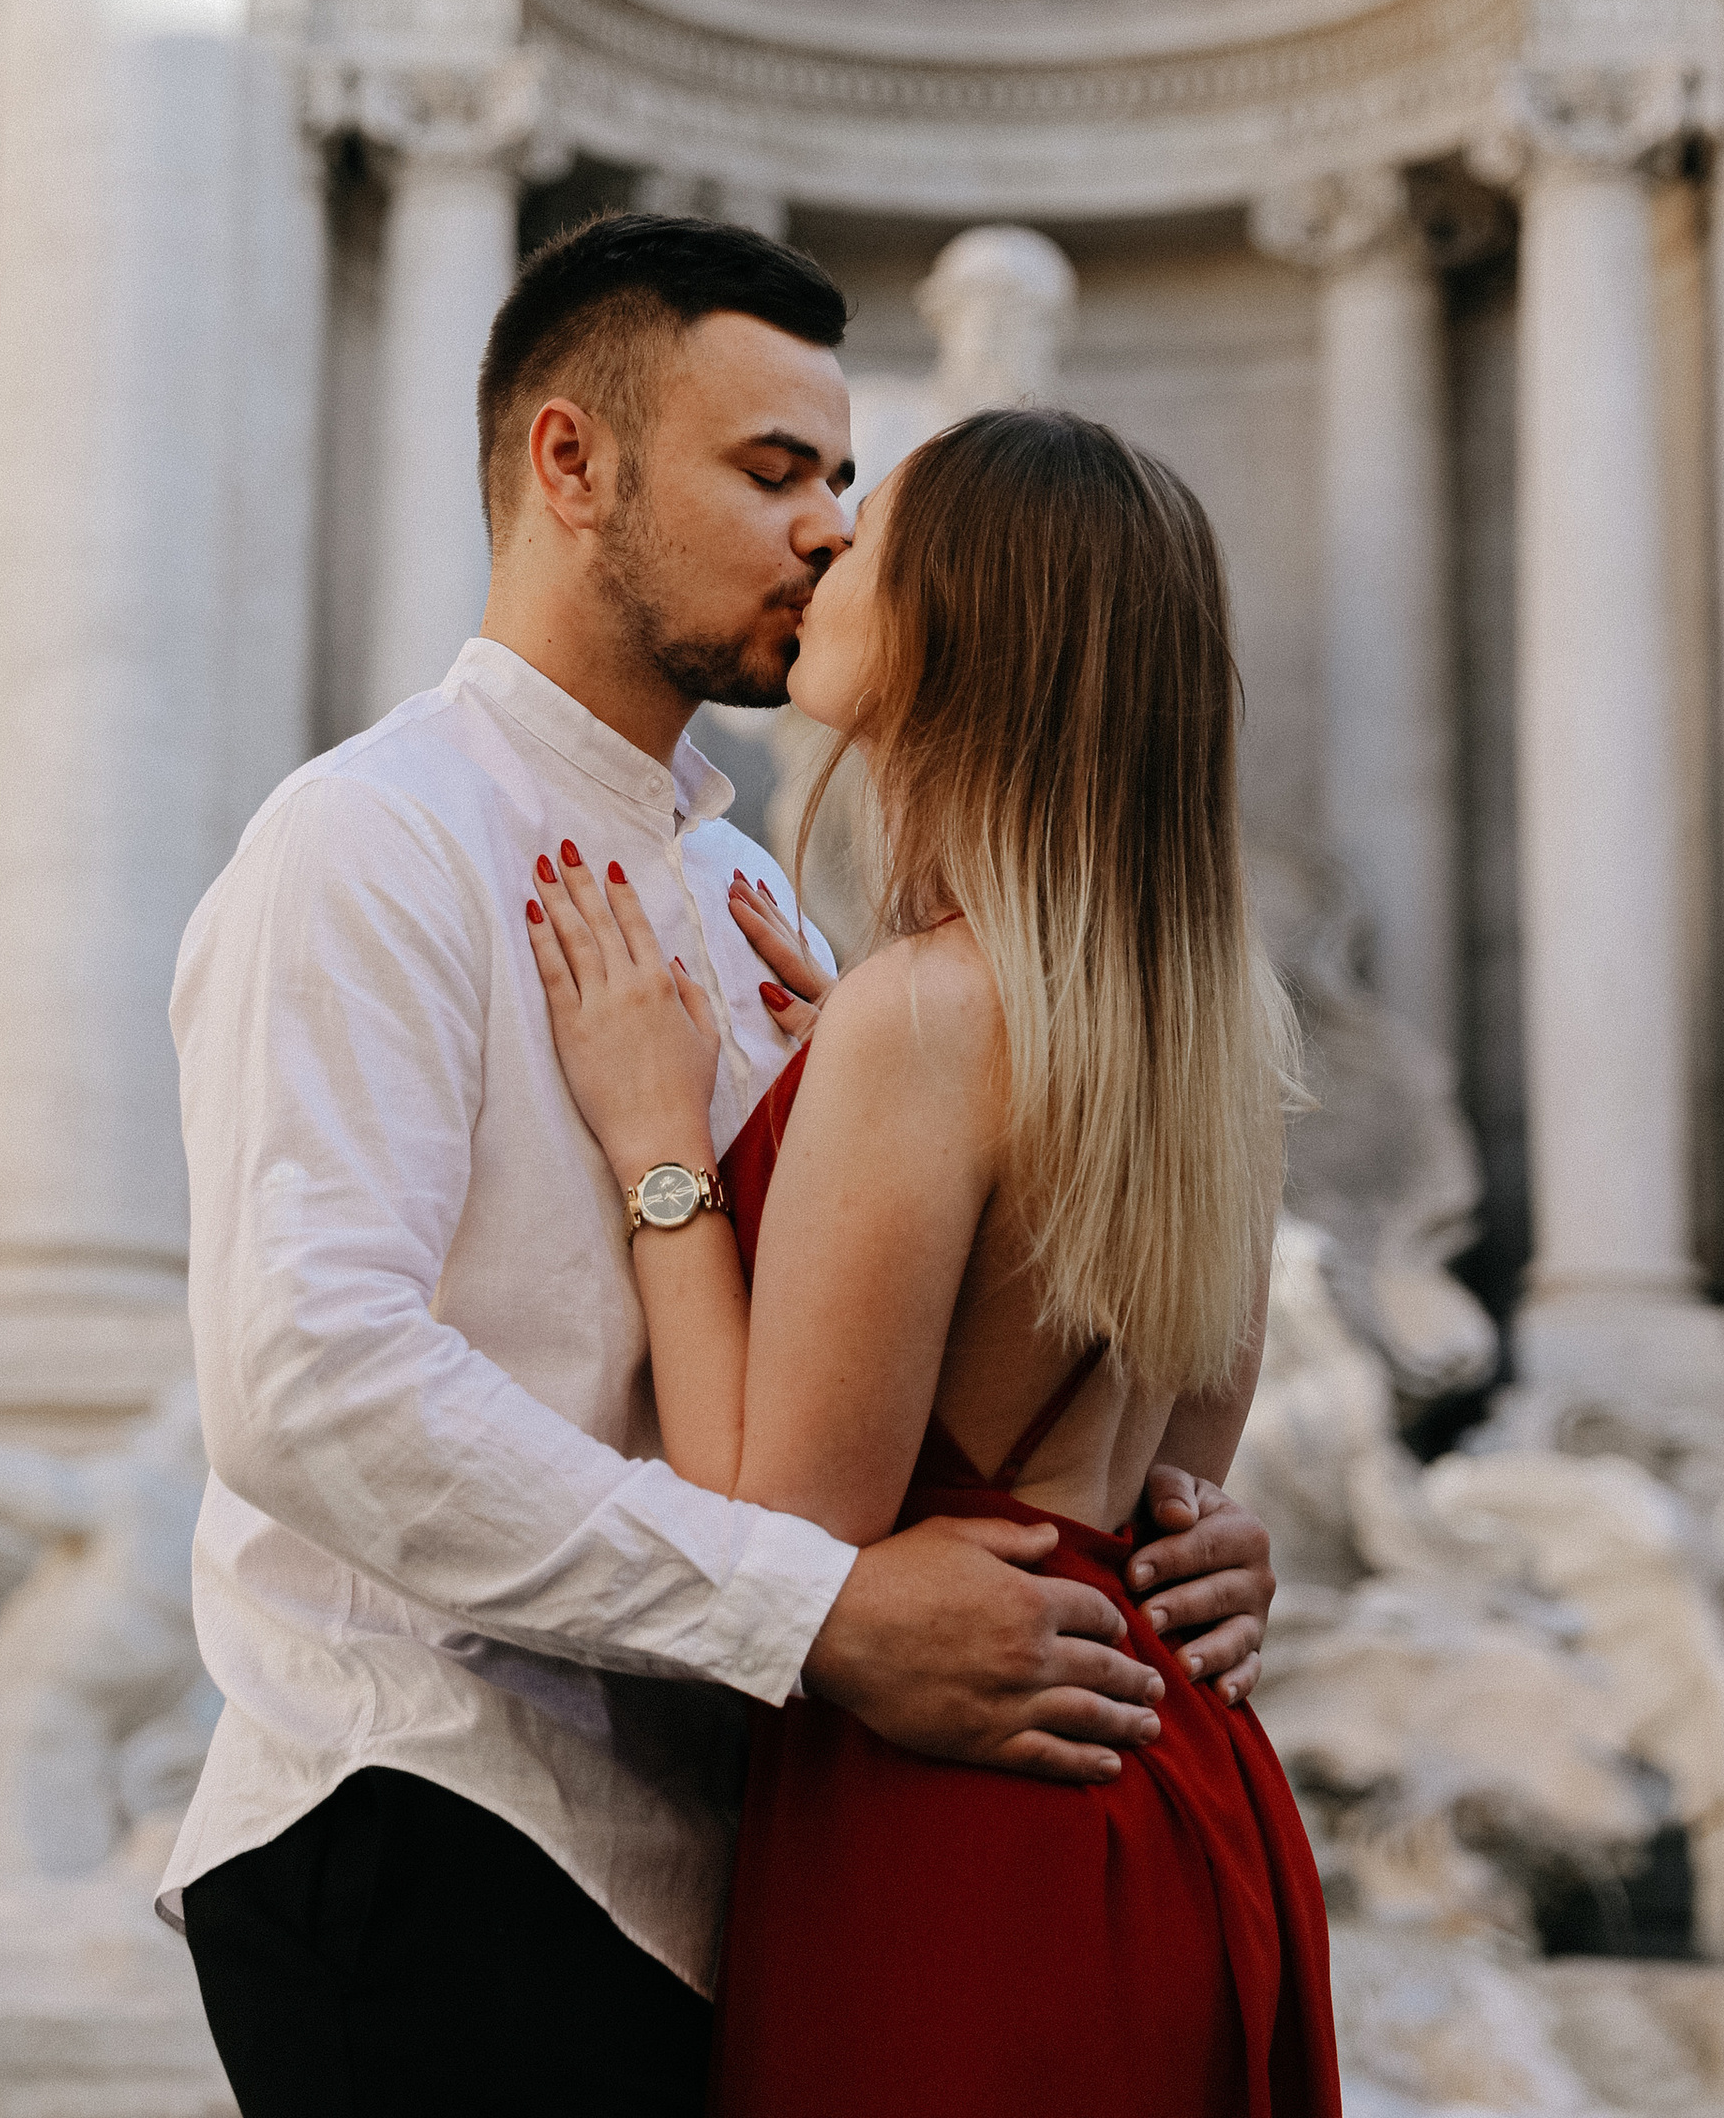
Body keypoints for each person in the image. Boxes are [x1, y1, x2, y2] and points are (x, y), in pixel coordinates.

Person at [166, 216, 1283, 2115]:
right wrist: (818, 1613)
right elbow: (311, 1382)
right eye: (775, 473)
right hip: (449, 1808)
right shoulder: (368, 840)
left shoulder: (751, 892)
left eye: (847, 484)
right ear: (570, 465)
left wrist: (1166, 1545)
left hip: (754, 1855)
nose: (831, 530)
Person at [527, 403, 1340, 2116]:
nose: (823, 544)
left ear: (963, 626)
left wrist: (664, 1142)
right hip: (1179, 1801)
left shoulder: (925, 1017)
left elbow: (782, 1528)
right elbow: (1174, 1505)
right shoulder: (1205, 1040)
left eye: (868, 530)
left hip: (964, 1821)